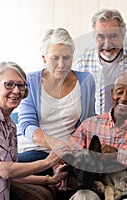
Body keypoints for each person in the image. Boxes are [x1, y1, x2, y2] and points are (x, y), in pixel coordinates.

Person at [0, 61, 66, 200]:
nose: (17, 91)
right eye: (9, 84)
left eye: (21, 85)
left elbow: (14, 175)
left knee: (44, 194)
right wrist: (48, 162)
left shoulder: (10, 125)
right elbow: (6, 171)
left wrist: (51, 180)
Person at [66, 73, 127, 200]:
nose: (124, 98)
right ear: (112, 93)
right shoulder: (90, 125)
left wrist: (120, 155)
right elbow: (68, 156)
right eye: (119, 92)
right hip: (92, 187)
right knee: (83, 196)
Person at [17, 27, 96, 178]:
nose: (61, 64)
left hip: (70, 152)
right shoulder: (30, 81)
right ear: (44, 58)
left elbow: (88, 124)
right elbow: (27, 125)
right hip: (35, 149)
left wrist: (69, 152)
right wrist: (57, 148)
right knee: (24, 167)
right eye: (55, 58)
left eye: (66, 58)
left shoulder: (86, 81)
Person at [73, 8, 127, 115]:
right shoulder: (82, 63)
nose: (107, 43)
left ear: (123, 35)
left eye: (113, 36)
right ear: (94, 37)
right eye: (101, 36)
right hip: (99, 124)